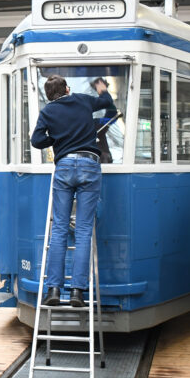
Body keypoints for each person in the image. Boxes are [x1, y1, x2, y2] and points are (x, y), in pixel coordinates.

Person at [31, 74, 114, 308]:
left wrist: (57, 139)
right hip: (89, 164)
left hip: (65, 165)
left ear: (49, 95)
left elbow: (36, 141)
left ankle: (54, 290)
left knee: (58, 228)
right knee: (84, 230)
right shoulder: (81, 100)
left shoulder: (47, 112)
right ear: (67, 89)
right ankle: (78, 292)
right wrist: (100, 86)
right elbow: (106, 102)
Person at [90, 77, 116, 163]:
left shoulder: (105, 98)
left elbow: (112, 113)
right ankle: (106, 157)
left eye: (96, 87)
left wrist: (104, 91)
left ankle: (105, 157)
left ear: (100, 83)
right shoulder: (104, 97)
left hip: (106, 120)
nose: (96, 90)